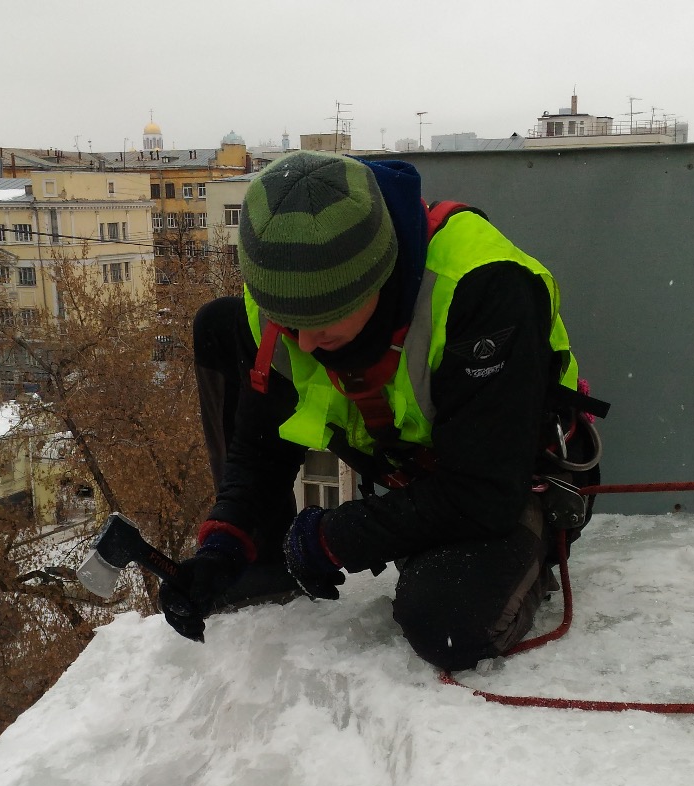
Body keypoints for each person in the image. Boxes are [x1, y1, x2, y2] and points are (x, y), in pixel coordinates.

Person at [159, 150, 602, 670]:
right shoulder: (287, 292)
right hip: (405, 463)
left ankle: (527, 555)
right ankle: (266, 561)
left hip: (513, 477)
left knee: (447, 621)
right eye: (289, 321)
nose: (305, 341)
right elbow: (261, 444)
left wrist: (334, 539)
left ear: (379, 276)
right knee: (221, 324)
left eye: (326, 319)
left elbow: (484, 493)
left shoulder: (485, 289)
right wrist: (224, 545)